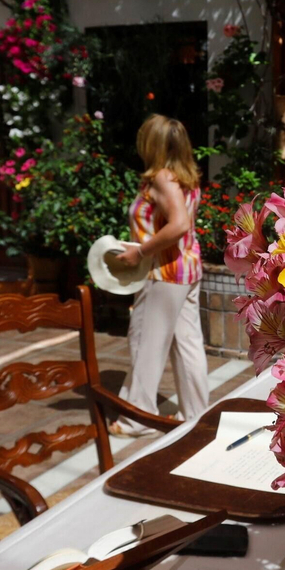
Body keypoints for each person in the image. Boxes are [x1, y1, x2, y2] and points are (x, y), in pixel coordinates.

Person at [109, 114, 210, 433]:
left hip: (163, 272)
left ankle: (137, 417)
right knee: (187, 343)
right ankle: (196, 415)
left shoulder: (162, 179)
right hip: (187, 268)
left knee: (145, 341)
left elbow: (178, 224)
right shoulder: (184, 176)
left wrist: (139, 251)